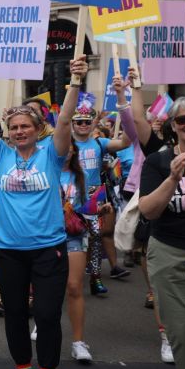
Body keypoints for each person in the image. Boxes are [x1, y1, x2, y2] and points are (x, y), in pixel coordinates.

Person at [0, 57, 76, 369]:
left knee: (45, 314)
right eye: (14, 127)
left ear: (38, 128)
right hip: (10, 250)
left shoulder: (52, 155)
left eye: (25, 126)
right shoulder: (1, 156)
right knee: (14, 312)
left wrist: (74, 81)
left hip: (49, 249)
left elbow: (66, 121)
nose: (19, 132)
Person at [139, 95, 185, 369]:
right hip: (171, 254)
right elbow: (148, 211)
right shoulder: (160, 163)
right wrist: (173, 179)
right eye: (183, 120)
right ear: (173, 127)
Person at [113, 71, 174, 363]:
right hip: (153, 213)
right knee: (161, 279)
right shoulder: (157, 150)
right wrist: (134, 88)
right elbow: (134, 120)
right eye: (183, 119)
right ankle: (167, 336)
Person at [70, 106, 130, 295]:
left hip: (94, 196)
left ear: (93, 123)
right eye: (79, 121)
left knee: (95, 237)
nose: (83, 125)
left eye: (87, 122)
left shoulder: (99, 142)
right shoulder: (65, 143)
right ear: (72, 124)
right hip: (69, 195)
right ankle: (66, 277)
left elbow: (126, 142)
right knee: (67, 237)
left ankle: (95, 278)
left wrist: (126, 112)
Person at [58, 139, 93, 363]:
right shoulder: (45, 170)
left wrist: (98, 208)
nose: (67, 150)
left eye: (71, 147)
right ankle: (44, 325)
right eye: (64, 146)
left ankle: (78, 342)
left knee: (74, 287)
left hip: (73, 235)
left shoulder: (81, 177)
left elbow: (85, 207)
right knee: (46, 288)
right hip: (46, 236)